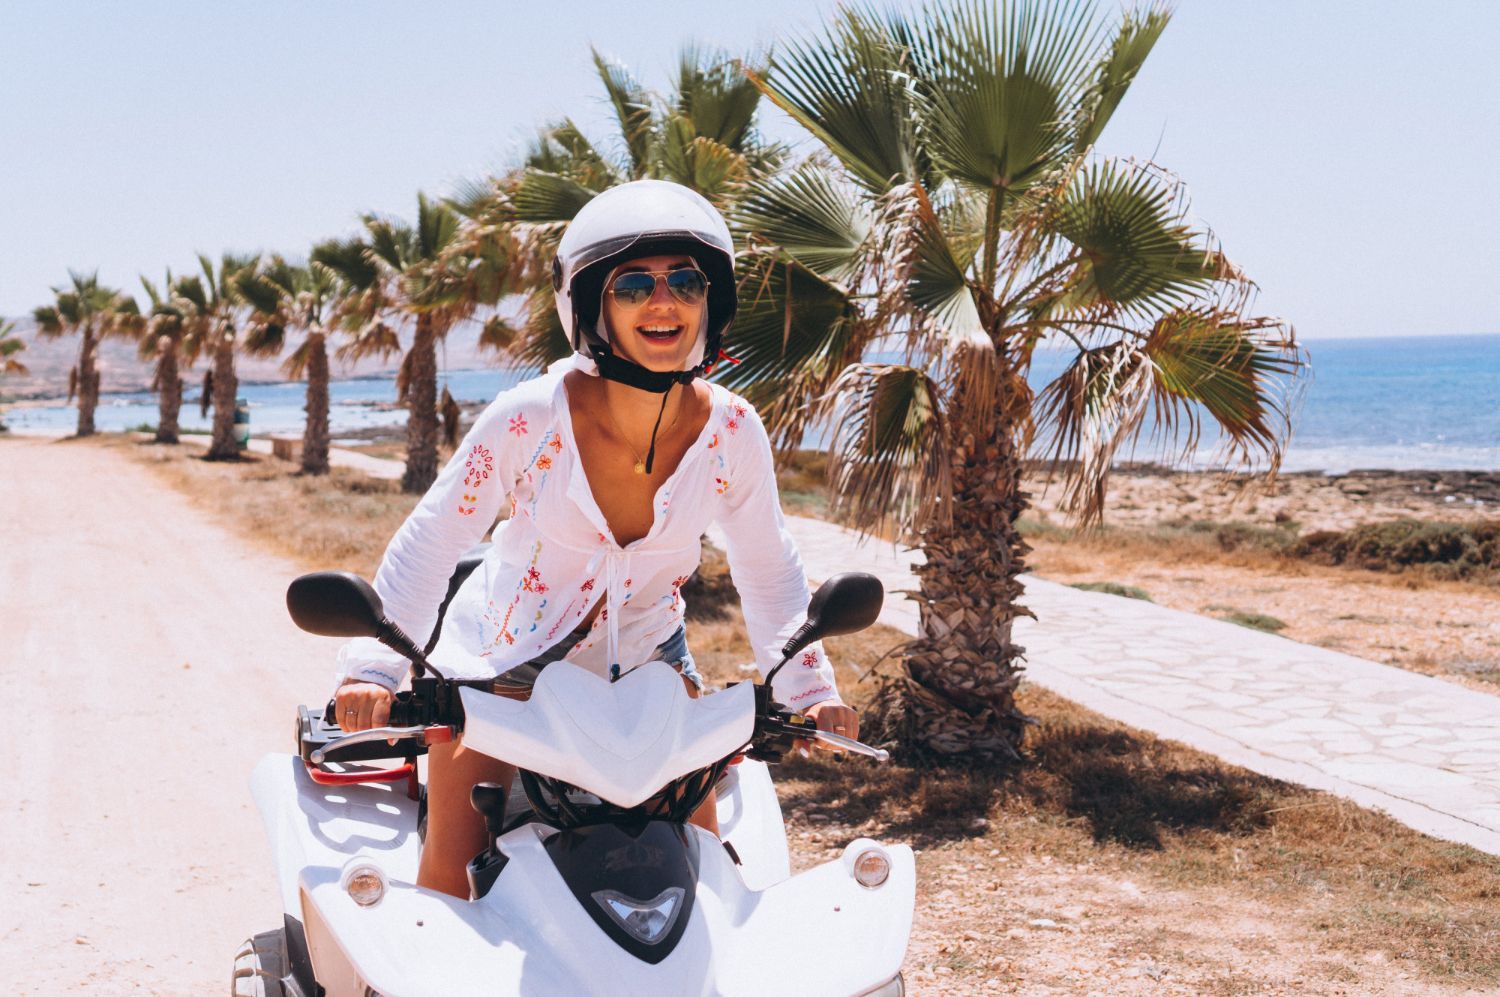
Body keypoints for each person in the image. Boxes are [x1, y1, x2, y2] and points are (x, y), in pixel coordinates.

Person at [331, 179, 858, 899]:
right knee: (452, 876)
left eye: (685, 282)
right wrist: (372, 671)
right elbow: (434, 540)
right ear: (590, 307)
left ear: (711, 302)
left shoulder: (733, 431)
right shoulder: (528, 420)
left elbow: (768, 566)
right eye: (633, 284)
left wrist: (808, 689)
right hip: (504, 665)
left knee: (706, 877)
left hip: (650, 662)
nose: (663, 302)